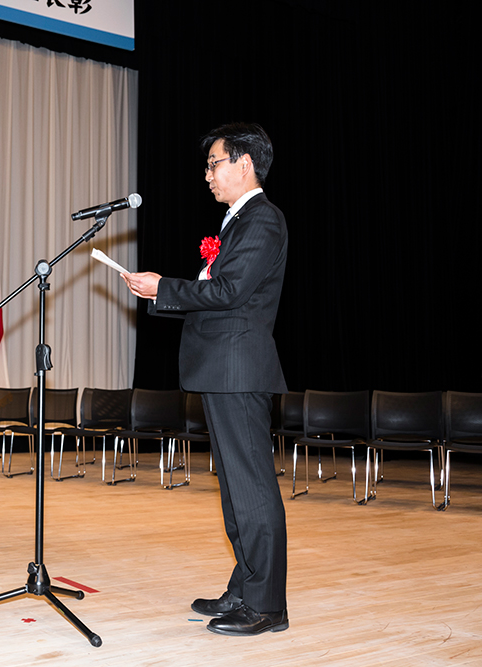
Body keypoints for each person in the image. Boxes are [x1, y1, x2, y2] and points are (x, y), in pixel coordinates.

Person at [123, 123, 289, 636]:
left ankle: (267, 606)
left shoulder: (262, 220)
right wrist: (160, 294)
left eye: (215, 163)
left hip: (239, 370)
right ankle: (245, 586)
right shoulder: (237, 222)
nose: (208, 174)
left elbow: (232, 292)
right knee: (235, 490)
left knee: (253, 489)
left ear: (245, 164)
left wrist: (163, 287)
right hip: (222, 369)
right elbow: (213, 292)